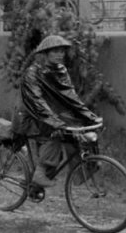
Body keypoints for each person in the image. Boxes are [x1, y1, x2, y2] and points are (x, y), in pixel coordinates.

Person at [14, 34, 102, 187]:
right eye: (55, 51)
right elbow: (36, 102)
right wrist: (55, 122)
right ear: (45, 53)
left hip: (49, 114)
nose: (59, 55)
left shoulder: (61, 70)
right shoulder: (32, 73)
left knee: (77, 129)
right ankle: (40, 174)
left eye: (62, 51)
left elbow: (71, 98)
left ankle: (82, 168)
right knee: (55, 133)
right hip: (29, 116)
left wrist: (89, 117)